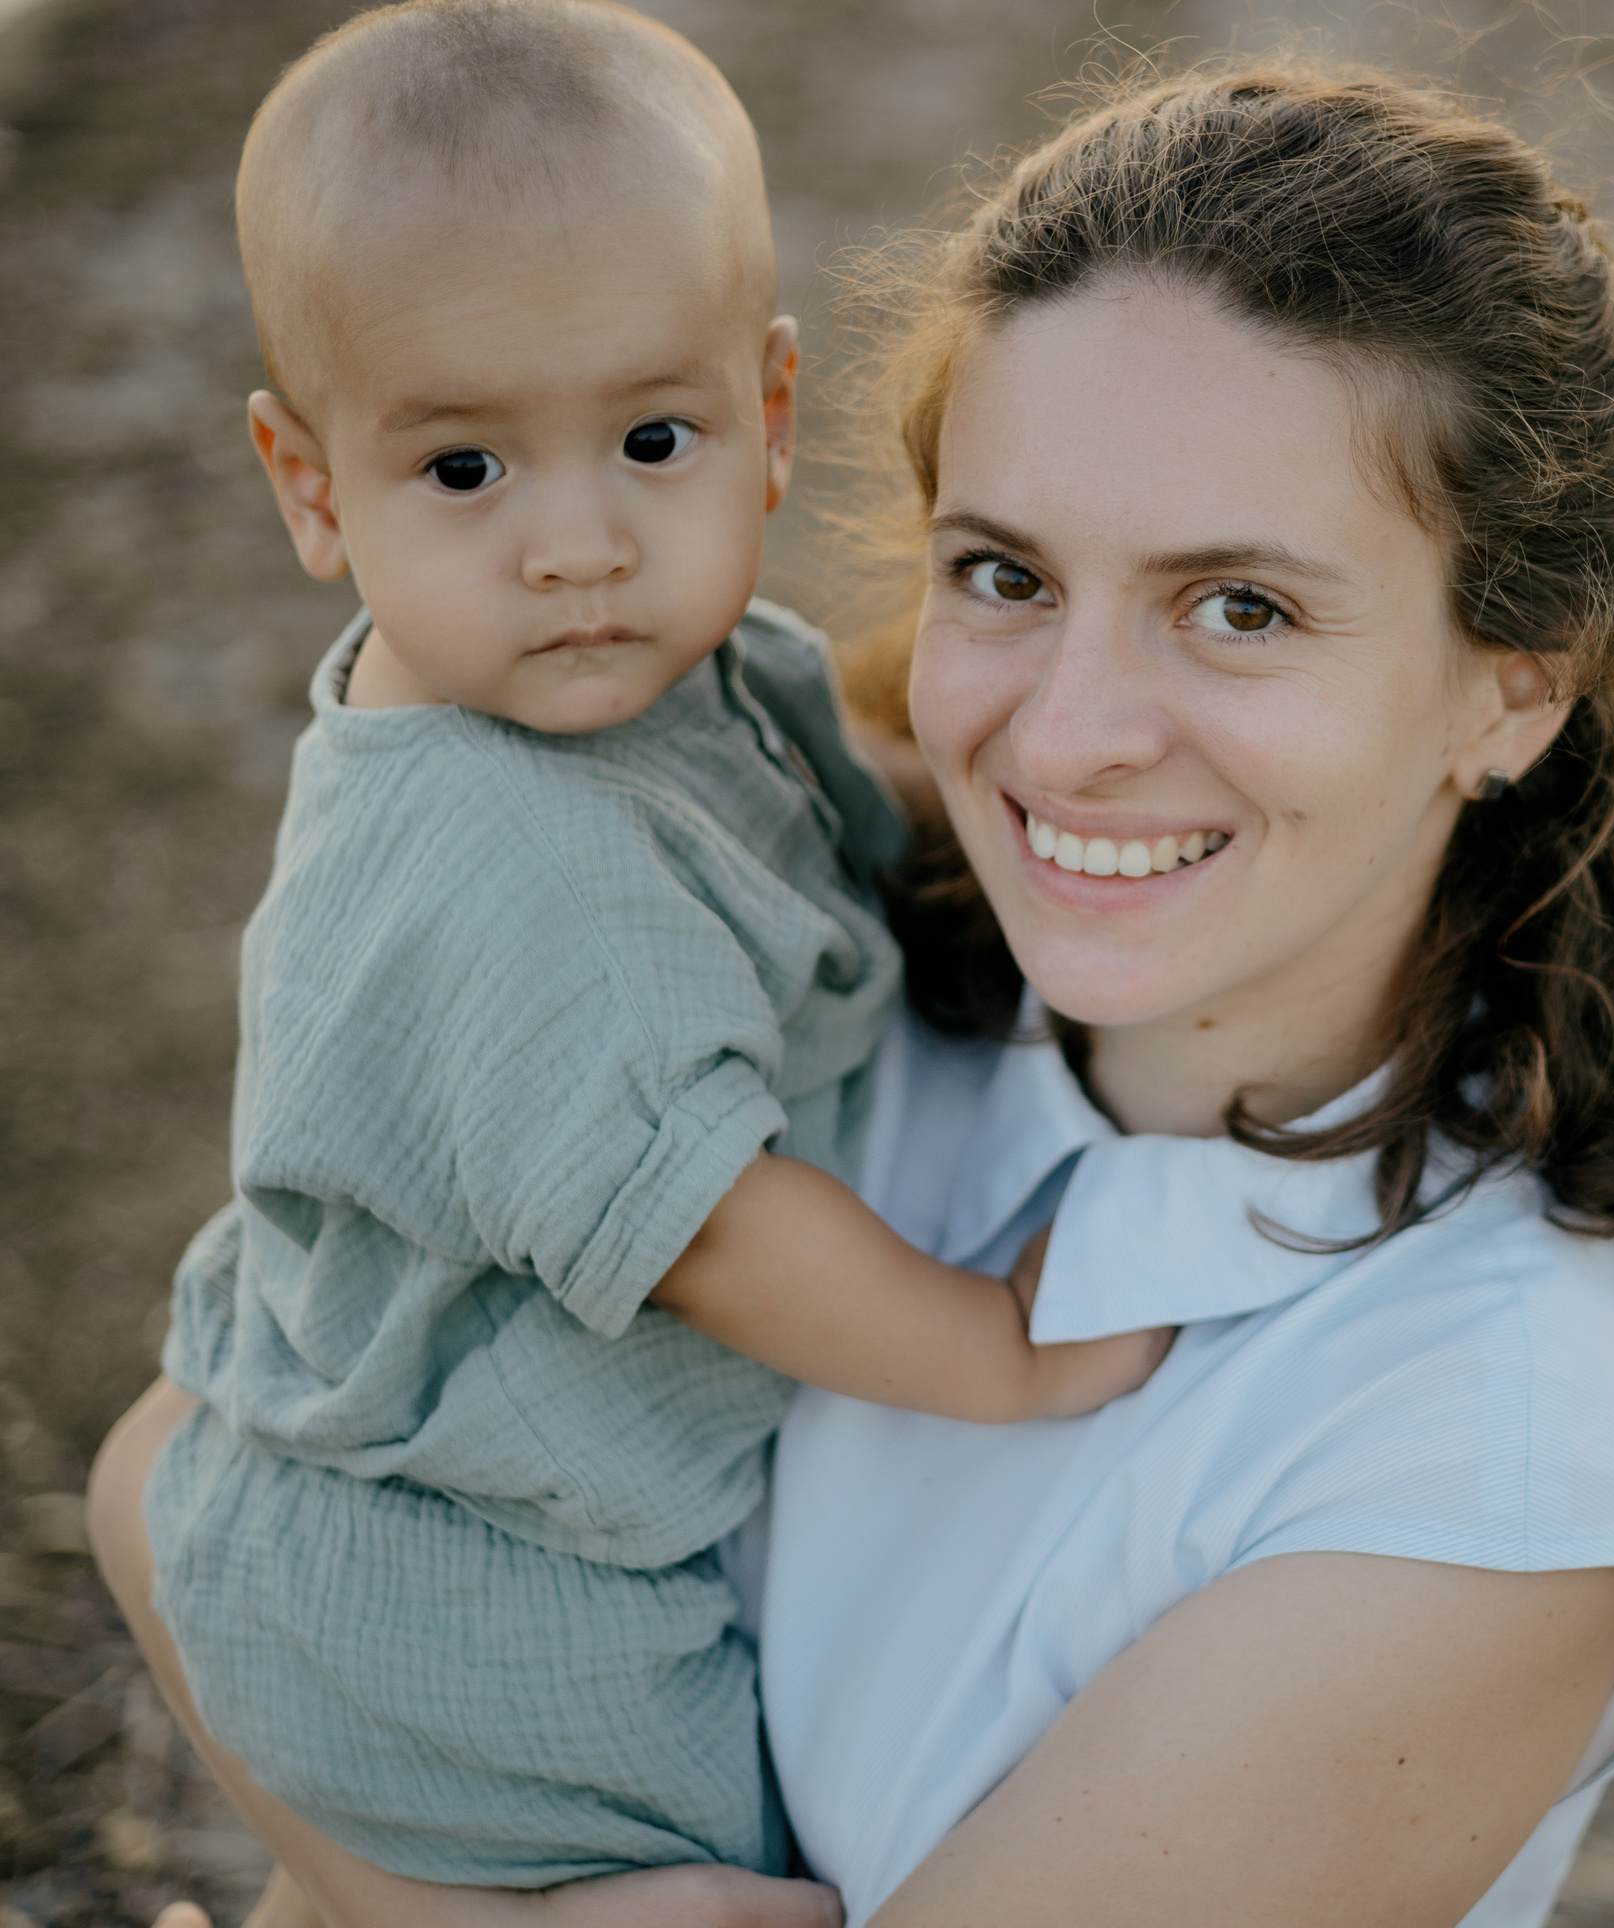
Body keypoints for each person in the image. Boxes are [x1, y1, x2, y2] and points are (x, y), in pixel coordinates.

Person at [92, 60, 1614, 1928]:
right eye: (1005, 574)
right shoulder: (813, 957)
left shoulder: (1478, 1465)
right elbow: (178, 1457)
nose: (1063, 740)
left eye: (1239, 607)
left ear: (1513, 687)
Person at [97, 0, 1169, 1905]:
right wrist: (996, 1352)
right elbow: (713, 1232)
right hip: (462, 1589)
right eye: (464, 471)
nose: (579, 541)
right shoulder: (519, 870)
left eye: (648, 437)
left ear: (765, 420)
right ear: (309, 486)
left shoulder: (679, 673)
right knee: (708, 1899)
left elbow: (848, 813)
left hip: (425, 1504)